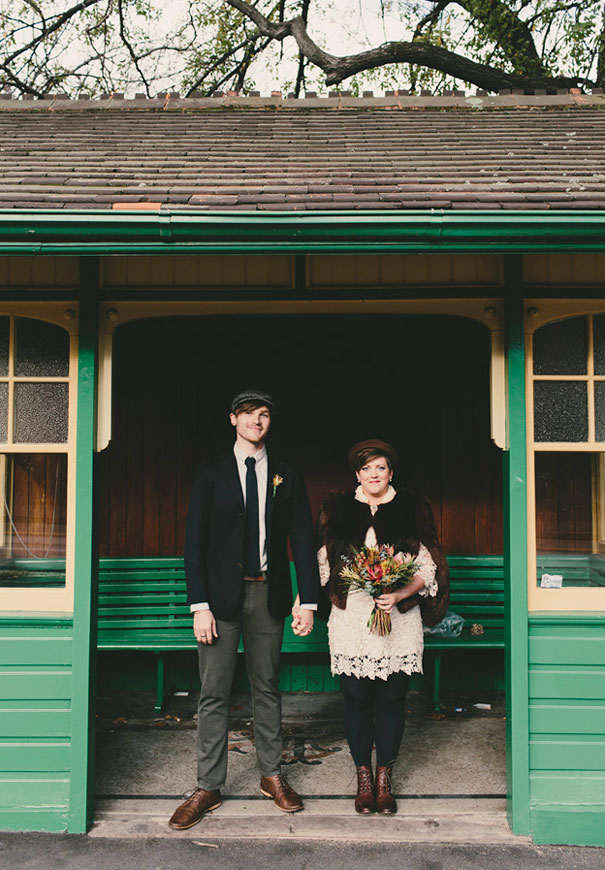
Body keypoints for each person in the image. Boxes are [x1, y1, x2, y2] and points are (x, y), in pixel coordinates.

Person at [169, 390, 320, 830]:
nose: (258, 420)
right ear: (233, 418)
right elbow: (193, 543)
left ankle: (271, 776)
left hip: (269, 596)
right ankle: (208, 786)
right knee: (214, 691)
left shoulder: (286, 474)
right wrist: (199, 605)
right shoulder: (211, 472)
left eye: (265, 414)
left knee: (267, 686)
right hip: (219, 601)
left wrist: (306, 598)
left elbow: (304, 540)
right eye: (250, 413)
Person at [294, 439, 445, 816]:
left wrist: (397, 593)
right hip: (351, 618)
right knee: (357, 699)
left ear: (390, 472)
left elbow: (428, 567)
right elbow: (322, 561)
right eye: (367, 469)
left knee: (392, 700)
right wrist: (305, 600)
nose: (374, 475)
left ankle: (384, 778)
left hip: (399, 617)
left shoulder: (412, 508)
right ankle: (363, 777)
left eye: (381, 468)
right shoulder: (338, 509)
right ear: (357, 474)